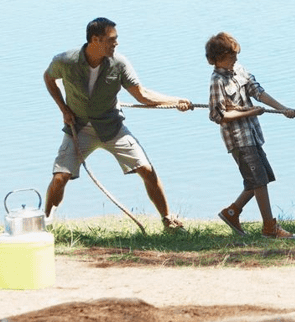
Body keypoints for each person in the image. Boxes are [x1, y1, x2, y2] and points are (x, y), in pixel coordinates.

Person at [43, 17, 193, 231]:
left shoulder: (119, 63)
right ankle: (44, 223)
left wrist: (175, 101)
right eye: (112, 39)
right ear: (95, 40)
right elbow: (48, 78)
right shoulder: (65, 61)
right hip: (78, 129)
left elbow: (142, 95)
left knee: (147, 170)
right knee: (60, 177)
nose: (116, 43)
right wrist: (64, 109)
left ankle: (168, 220)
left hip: (112, 128)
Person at [207, 32, 295, 240]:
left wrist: (283, 109)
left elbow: (257, 91)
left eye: (236, 55)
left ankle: (232, 212)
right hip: (238, 140)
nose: (236, 59)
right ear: (218, 57)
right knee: (258, 181)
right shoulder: (217, 81)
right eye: (231, 56)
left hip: (253, 135)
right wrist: (250, 111)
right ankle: (270, 227)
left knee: (262, 177)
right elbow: (218, 116)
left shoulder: (239, 70)